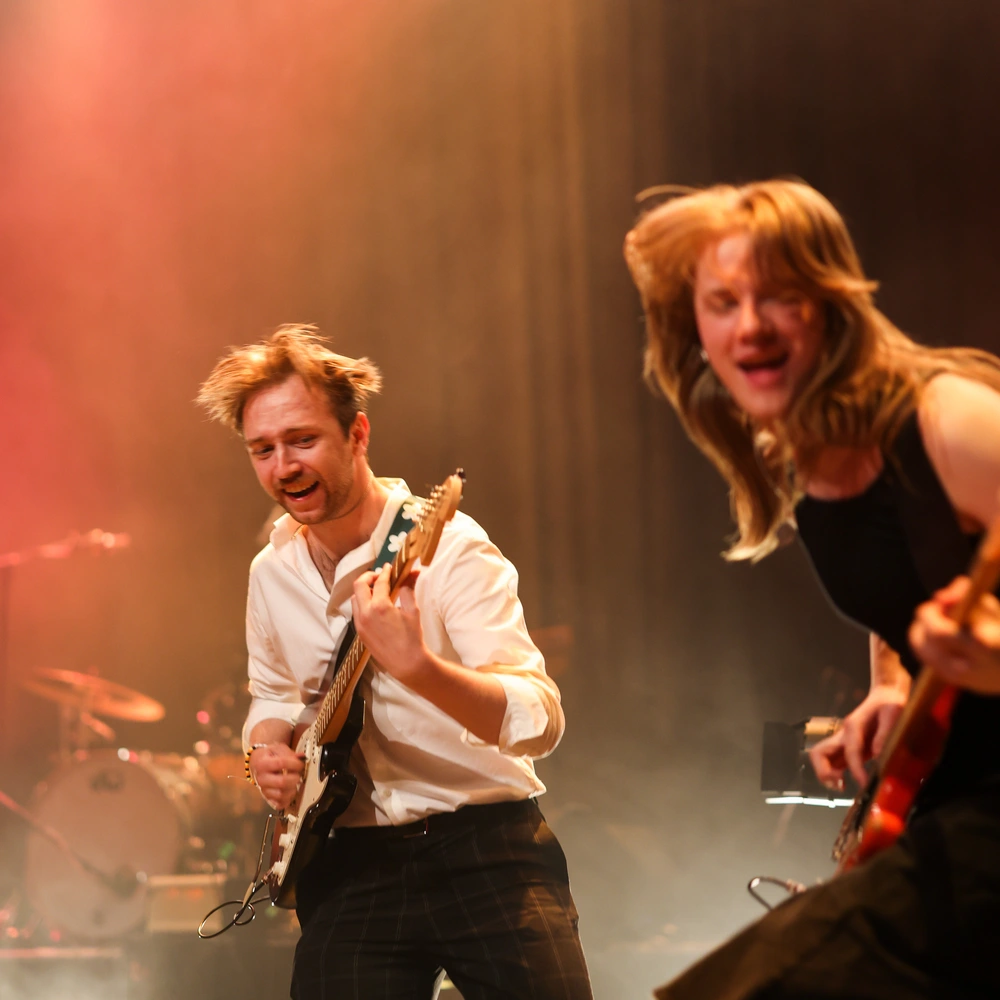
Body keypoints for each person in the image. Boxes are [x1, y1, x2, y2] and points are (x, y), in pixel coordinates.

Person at [623, 180, 1000, 999]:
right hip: (953, 799)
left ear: (831, 303)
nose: (750, 324)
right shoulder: (802, 450)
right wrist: (891, 685)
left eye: (779, 295)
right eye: (723, 302)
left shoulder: (944, 420)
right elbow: (908, 580)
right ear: (694, 328)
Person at [197, 325, 593, 1000]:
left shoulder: (451, 547)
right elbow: (272, 694)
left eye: (302, 440)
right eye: (263, 449)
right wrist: (264, 749)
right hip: (350, 861)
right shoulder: (272, 571)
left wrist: (419, 670)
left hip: (485, 850)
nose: (283, 466)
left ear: (358, 434)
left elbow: (541, 721)